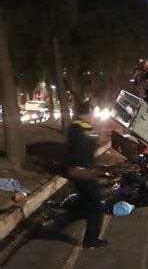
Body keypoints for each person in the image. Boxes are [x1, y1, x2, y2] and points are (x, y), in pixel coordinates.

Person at [65, 102, 108, 248]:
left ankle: (75, 215)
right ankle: (91, 239)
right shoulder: (78, 128)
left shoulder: (81, 128)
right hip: (81, 172)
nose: (92, 117)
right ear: (85, 114)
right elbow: (86, 143)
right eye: (91, 114)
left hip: (84, 170)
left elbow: (91, 139)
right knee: (96, 205)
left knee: (88, 202)